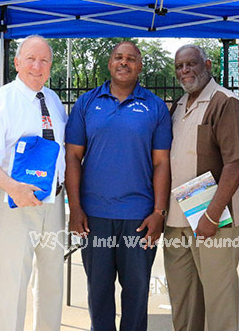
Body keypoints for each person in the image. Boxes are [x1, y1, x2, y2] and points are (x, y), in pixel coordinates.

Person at [65, 41, 172, 331]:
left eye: (131, 59)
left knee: (136, 295)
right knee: (98, 292)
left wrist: (159, 213)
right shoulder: (87, 103)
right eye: (118, 57)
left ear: (140, 66)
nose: (124, 63)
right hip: (94, 216)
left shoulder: (155, 106)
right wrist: (75, 208)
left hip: (139, 216)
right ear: (110, 63)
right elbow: (73, 157)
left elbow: (162, 163)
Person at [0, 35, 67, 331]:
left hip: (53, 205)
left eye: (44, 60)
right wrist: (13, 188)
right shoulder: (1, 100)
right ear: (17, 62)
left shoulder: (53, 100)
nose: (37, 66)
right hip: (14, 206)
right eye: (31, 59)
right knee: (12, 284)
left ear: (50, 66)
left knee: (52, 281)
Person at [163, 44, 239, 331]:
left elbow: (237, 162)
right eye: (179, 66)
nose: (185, 70)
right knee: (184, 301)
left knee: (218, 300)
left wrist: (211, 216)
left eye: (191, 64)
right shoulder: (178, 106)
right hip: (177, 220)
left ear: (208, 64)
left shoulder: (226, 102)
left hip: (214, 221)